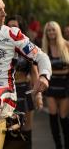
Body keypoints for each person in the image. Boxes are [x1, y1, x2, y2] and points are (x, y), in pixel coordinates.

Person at [7, 15, 42, 148]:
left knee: (27, 130)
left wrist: (38, 94)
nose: (12, 29)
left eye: (15, 26)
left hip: (24, 90)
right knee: (11, 131)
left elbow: (34, 71)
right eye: (9, 26)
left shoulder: (27, 46)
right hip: (7, 92)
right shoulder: (1, 46)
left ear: (20, 29)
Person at [41, 21, 69, 149]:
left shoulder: (66, 46)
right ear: (46, 33)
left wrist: (54, 71)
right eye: (48, 30)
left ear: (57, 31)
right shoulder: (44, 49)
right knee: (53, 115)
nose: (51, 32)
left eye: (53, 30)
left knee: (63, 117)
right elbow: (42, 70)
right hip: (51, 86)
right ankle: (58, 145)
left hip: (65, 85)